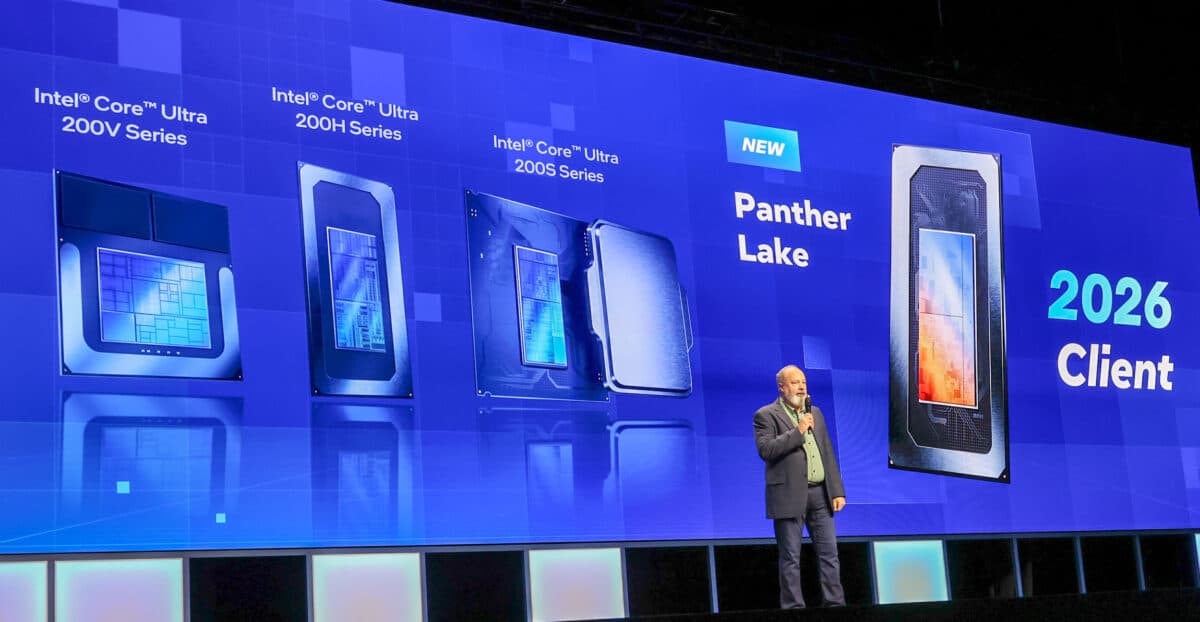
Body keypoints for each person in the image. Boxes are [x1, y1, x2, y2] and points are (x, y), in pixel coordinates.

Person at [753, 364, 846, 608]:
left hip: (820, 494)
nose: (802, 387)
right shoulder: (765, 415)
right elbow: (767, 450)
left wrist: (837, 490)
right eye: (795, 383)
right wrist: (799, 430)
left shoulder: (815, 412)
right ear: (781, 388)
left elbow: (827, 451)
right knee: (790, 557)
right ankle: (793, 607)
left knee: (830, 554)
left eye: (803, 382)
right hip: (788, 495)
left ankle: (835, 605)